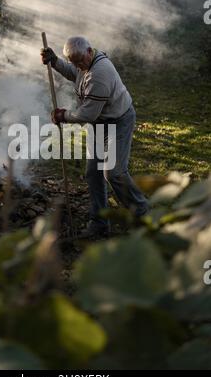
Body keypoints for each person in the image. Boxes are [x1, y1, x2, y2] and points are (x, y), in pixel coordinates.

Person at [41, 36, 149, 235]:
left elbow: (87, 114)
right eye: (75, 62)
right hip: (99, 124)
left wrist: (63, 115)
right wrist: (55, 62)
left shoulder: (100, 74)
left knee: (114, 172)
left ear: (89, 51)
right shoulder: (83, 64)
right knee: (93, 173)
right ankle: (100, 222)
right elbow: (73, 72)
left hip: (118, 121)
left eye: (81, 60)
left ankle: (143, 214)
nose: (79, 65)